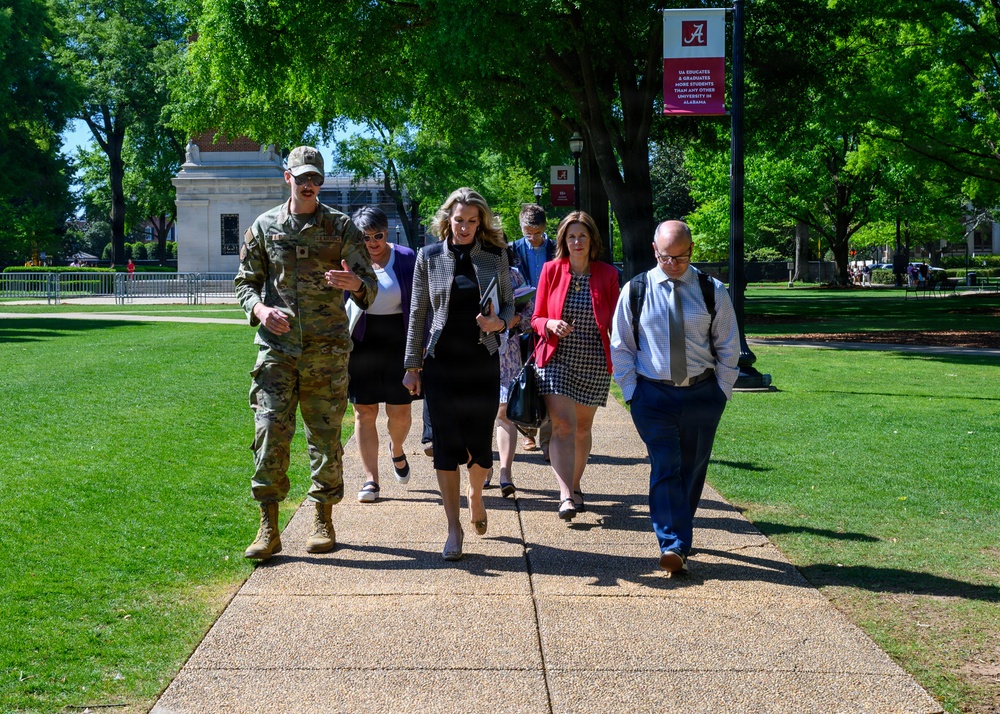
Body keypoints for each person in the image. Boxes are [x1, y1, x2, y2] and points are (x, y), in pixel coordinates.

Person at [235, 145, 377, 561]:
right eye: (303, 179)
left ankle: (322, 517)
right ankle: (268, 526)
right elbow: (245, 283)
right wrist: (260, 310)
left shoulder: (341, 227)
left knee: (325, 437)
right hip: (277, 351)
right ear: (288, 178)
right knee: (269, 434)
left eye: (316, 178)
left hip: (326, 351)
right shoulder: (263, 226)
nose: (311, 185)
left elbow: (369, 283)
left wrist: (353, 285)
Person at [610, 220, 739, 574]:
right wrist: (632, 393)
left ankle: (679, 538)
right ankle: (672, 544)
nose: (673, 265)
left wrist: (720, 393)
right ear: (655, 251)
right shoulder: (635, 291)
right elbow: (621, 347)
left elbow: (729, 347)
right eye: (667, 258)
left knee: (692, 469)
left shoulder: (713, 291)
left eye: (681, 258)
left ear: (692, 251)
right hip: (653, 395)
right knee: (666, 465)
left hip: (702, 393)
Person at [403, 187, 513, 561]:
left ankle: (476, 494)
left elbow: (511, 305)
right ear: (446, 220)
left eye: (471, 221)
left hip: (482, 362)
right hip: (441, 364)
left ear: (480, 221)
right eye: (458, 220)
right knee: (446, 447)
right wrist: (410, 366)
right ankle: (453, 527)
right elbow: (418, 312)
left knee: (480, 449)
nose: (464, 227)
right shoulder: (429, 257)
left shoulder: (494, 255)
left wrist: (500, 322)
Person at [530, 211, 620, 521]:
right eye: (571, 236)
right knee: (563, 426)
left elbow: (616, 322)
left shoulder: (607, 275)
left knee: (582, 429)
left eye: (582, 235)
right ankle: (565, 493)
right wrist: (550, 324)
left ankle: (576, 484)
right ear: (563, 241)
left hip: (593, 360)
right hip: (557, 359)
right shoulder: (551, 270)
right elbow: (536, 319)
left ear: (592, 239)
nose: (577, 241)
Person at [343, 206, 417, 504]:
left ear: (388, 232)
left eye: (378, 235)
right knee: (364, 411)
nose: (372, 242)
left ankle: (397, 449)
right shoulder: (350, 260)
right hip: (362, 339)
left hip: (399, 339)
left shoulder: (407, 258)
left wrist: (418, 351)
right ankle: (371, 479)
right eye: (365, 237)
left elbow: (419, 304)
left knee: (400, 412)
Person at [510, 203, 556, 455]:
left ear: (545, 227)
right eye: (528, 233)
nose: (533, 238)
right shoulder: (512, 250)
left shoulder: (556, 248)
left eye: (537, 233)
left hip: (550, 320)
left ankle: (548, 439)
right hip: (523, 322)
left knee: (549, 379)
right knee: (523, 377)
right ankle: (528, 431)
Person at [493, 245, 535, 499]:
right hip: (476, 349)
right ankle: (483, 468)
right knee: (481, 412)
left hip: (507, 350)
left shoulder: (514, 275)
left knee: (503, 411)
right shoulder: (470, 271)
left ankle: (505, 472)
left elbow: (529, 308)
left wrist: (516, 320)